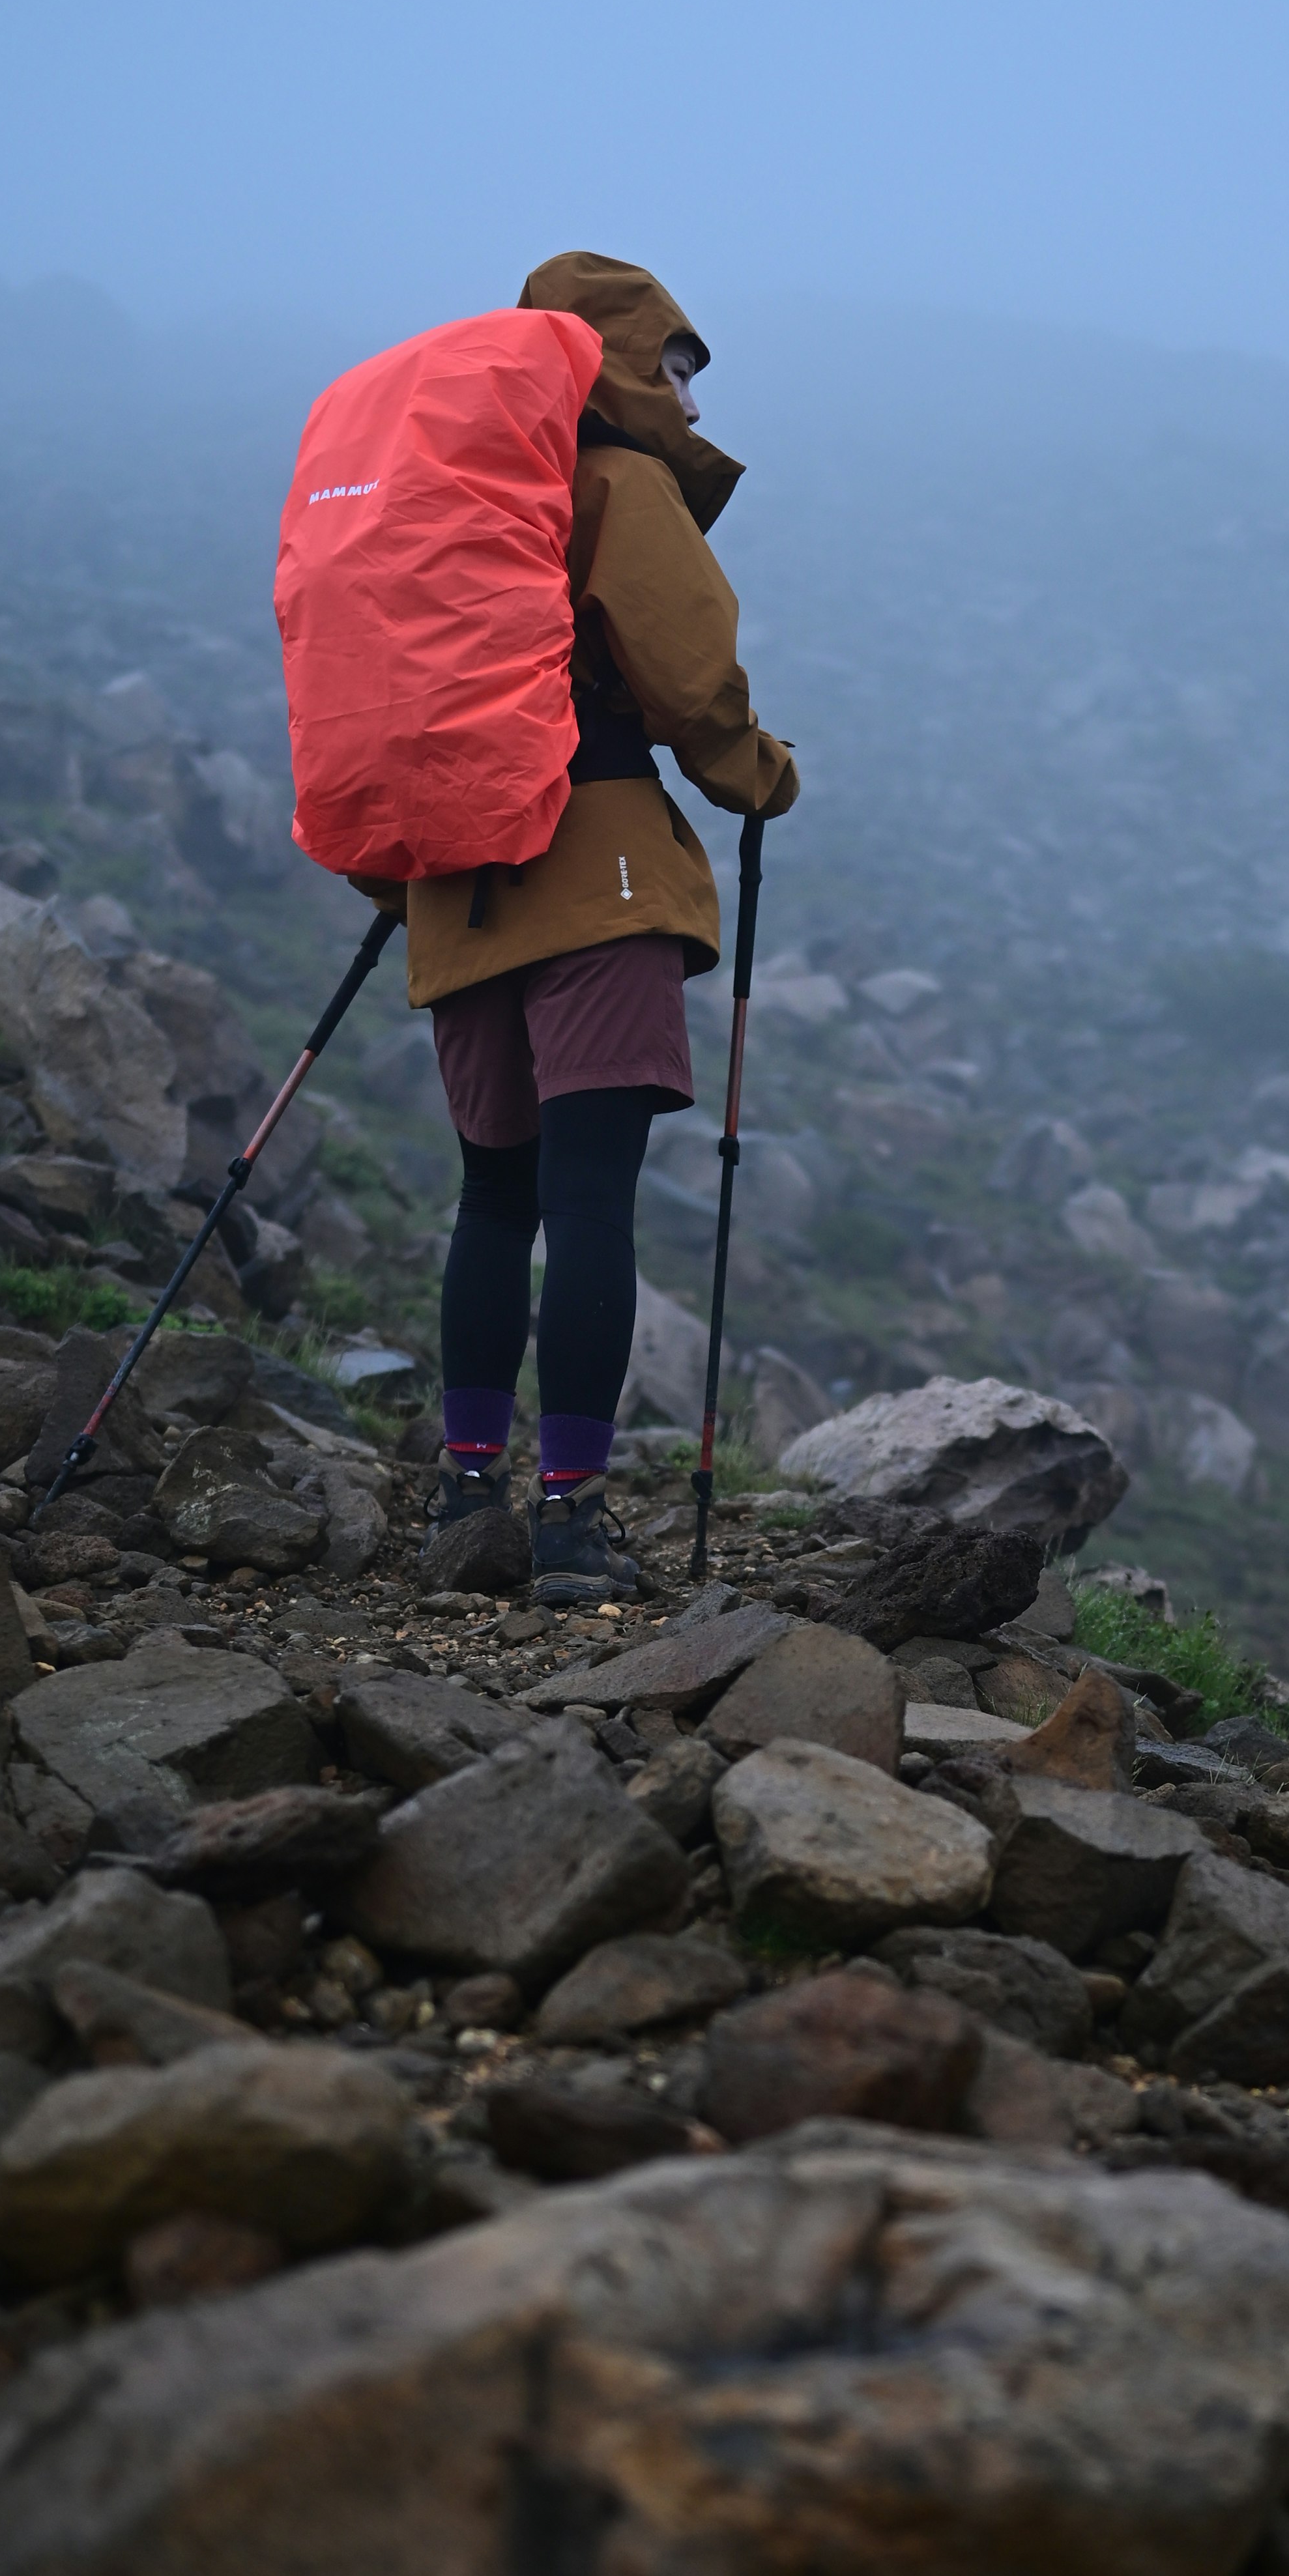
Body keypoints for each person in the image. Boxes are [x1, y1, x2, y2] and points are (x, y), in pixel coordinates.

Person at [364, 253, 796, 1591]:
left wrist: (410, 880)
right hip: (593, 868)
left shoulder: (450, 496)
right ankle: (570, 1517)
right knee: (589, 1197)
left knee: (492, 1198)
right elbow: (684, 671)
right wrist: (759, 775)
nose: (687, 390)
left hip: (457, 888)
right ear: (611, 359)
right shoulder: (617, 480)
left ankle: (464, 1493)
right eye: (674, 361)